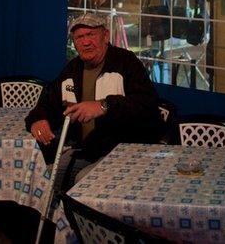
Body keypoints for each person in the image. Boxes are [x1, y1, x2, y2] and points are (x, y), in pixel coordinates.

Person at [26, 12, 162, 183]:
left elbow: (147, 105)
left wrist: (104, 106)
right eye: (79, 37)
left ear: (105, 36)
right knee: (44, 178)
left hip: (123, 151)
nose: (85, 42)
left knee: (83, 181)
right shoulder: (73, 68)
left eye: (90, 34)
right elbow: (48, 100)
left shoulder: (126, 62)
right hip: (88, 150)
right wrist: (38, 119)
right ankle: (60, 211)